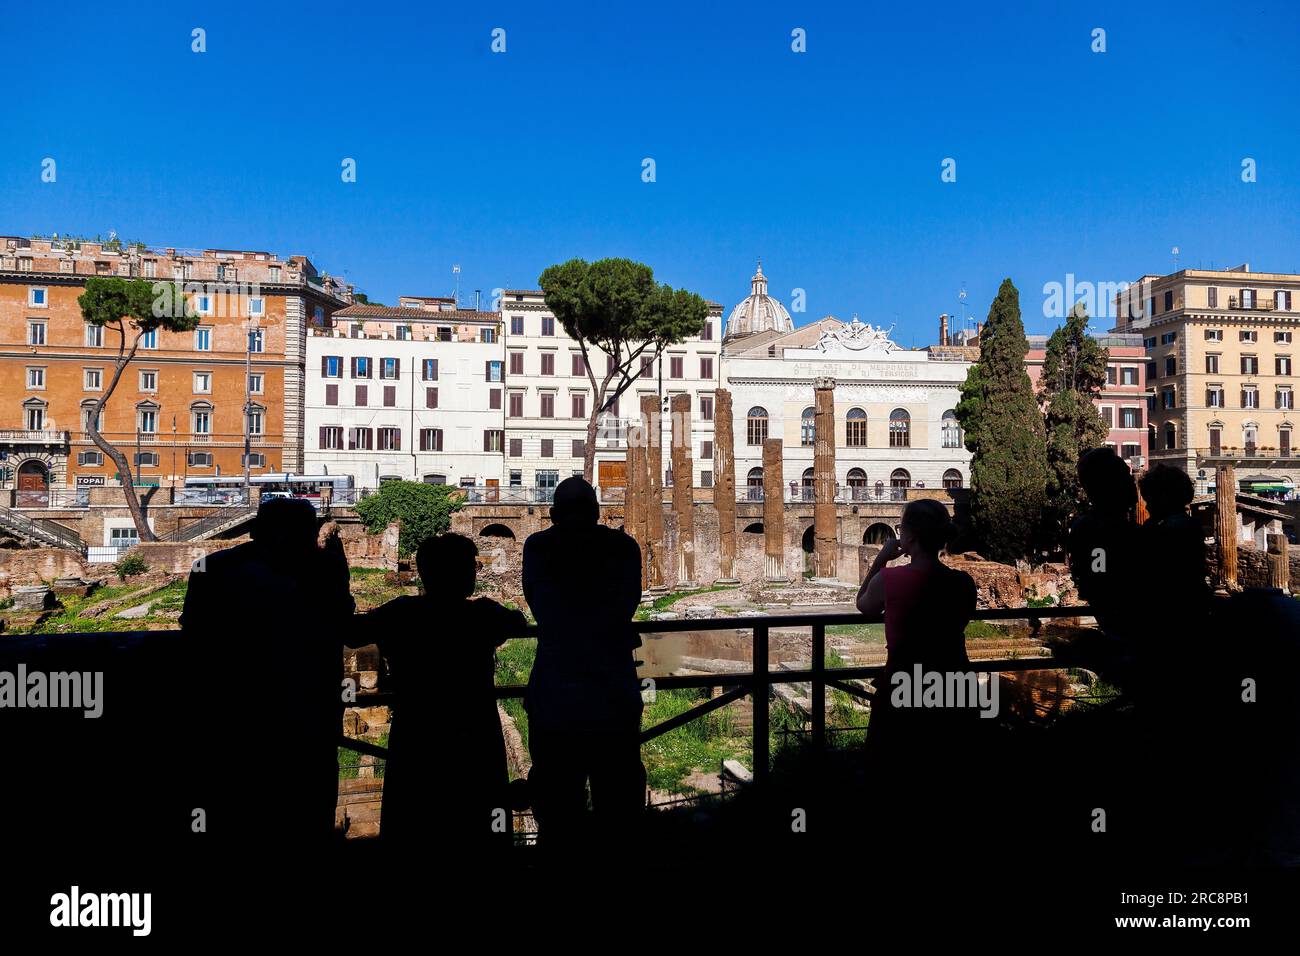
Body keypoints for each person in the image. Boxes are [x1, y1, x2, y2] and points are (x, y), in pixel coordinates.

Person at [180, 497, 355, 852]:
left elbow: (195, 636)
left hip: (237, 715)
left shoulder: (212, 568)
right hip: (306, 711)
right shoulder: (324, 568)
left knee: (242, 816)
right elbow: (345, 625)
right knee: (307, 813)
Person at [365, 533, 528, 855]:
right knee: (482, 827)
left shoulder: (401, 613)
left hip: (417, 732)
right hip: (474, 733)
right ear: (463, 573)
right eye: (471, 567)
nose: (475, 573)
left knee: (415, 823)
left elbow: (352, 631)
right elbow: (518, 622)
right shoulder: (482, 614)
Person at [522, 476, 645, 850]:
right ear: (597, 513)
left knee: (557, 804)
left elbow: (540, 607)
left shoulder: (538, 547)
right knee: (619, 800)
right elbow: (627, 604)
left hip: (556, 688)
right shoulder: (624, 547)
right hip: (613, 687)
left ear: (553, 514)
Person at [856, 499, 979, 755]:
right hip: (954, 685)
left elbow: (863, 604)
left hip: (904, 686)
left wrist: (881, 559)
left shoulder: (889, 579)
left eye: (901, 529)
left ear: (909, 538)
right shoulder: (963, 582)